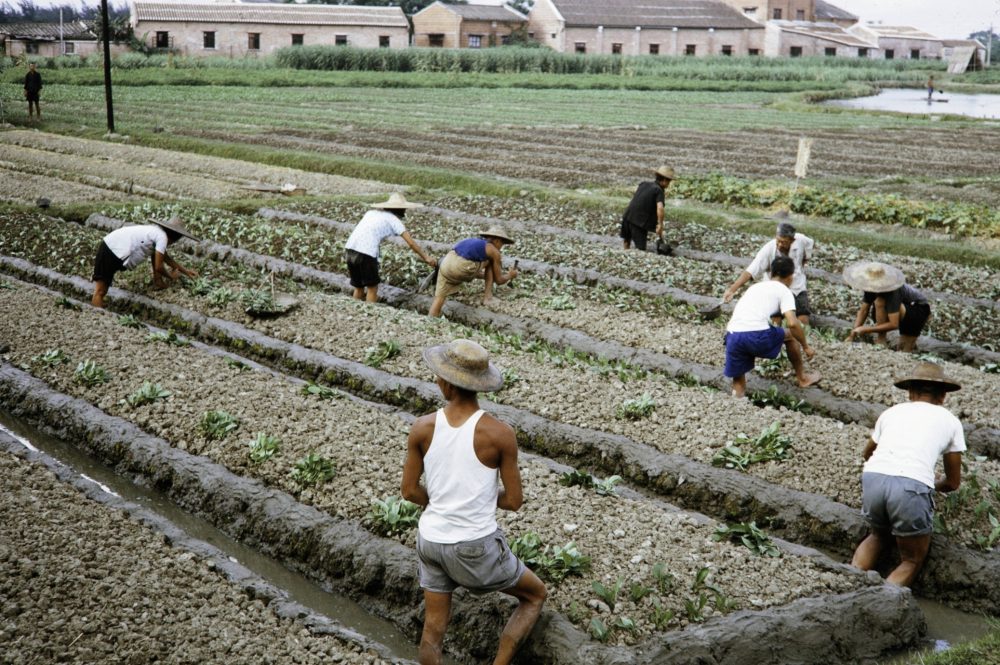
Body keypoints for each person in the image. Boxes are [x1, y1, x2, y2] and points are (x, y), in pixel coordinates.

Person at [401, 339, 547, 665]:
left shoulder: (422, 427)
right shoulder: (499, 434)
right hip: (474, 548)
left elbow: (409, 491)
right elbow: (513, 500)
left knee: (434, 629)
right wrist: (477, 499)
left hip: (431, 540)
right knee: (534, 595)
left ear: (446, 382)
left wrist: (442, 500)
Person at [850, 362, 964, 587]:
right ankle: (883, 603)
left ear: (911, 393)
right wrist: (932, 484)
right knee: (911, 559)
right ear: (942, 397)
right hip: (910, 486)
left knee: (877, 535)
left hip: (873, 478)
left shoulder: (891, 412)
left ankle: (848, 583)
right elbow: (953, 482)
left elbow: (867, 453)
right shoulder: (951, 422)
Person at [724, 255, 820, 397]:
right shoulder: (784, 291)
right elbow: (793, 323)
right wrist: (805, 346)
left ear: (771, 273)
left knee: (738, 379)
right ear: (790, 277)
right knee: (791, 336)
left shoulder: (755, 287)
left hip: (732, 335)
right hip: (756, 336)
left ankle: (738, 402)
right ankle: (803, 378)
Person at [723, 212, 815, 326]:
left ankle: (800, 341)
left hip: (797, 286)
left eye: (784, 242)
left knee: (803, 319)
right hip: (774, 289)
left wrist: (807, 257)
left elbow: (810, 243)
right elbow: (751, 271)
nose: (780, 245)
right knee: (775, 320)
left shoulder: (800, 240)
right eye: (778, 241)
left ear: (792, 240)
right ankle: (776, 339)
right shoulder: (768, 249)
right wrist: (732, 289)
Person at [344, 192, 437, 303]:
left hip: (350, 248)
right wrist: (426, 257)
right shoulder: (395, 221)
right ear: (401, 210)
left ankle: (355, 311)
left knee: (358, 287)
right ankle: (369, 313)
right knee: (372, 288)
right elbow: (411, 243)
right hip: (366, 252)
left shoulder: (371, 213)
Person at [91, 215, 199, 308]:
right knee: (100, 291)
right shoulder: (162, 237)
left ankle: (98, 308)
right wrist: (171, 277)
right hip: (112, 250)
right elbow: (159, 267)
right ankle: (97, 314)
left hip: (112, 248)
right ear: (175, 238)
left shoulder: (156, 232)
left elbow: (165, 258)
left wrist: (186, 271)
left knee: (102, 289)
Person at [428, 227, 517, 318]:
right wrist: (510, 275)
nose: (501, 248)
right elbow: (499, 280)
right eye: (502, 244)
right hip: (461, 267)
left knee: (439, 299)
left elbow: (467, 267)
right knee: (490, 261)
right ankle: (488, 298)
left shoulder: (474, 242)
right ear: (498, 241)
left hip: (445, 264)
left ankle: (431, 320)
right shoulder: (493, 251)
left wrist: (486, 277)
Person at [843, 261, 931, 352]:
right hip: (900, 308)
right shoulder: (871, 286)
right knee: (879, 302)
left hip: (918, 310)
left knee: (904, 351)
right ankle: (882, 339)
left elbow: (894, 324)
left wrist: (867, 329)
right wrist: (852, 334)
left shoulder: (892, 291)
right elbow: (864, 311)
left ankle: (882, 340)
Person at [621, 165, 674, 252]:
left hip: (627, 216)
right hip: (638, 222)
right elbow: (660, 208)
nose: (669, 184)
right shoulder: (659, 190)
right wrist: (660, 224)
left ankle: (625, 252)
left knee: (627, 240)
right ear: (664, 180)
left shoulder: (644, 184)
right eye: (669, 182)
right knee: (640, 250)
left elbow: (641, 201)